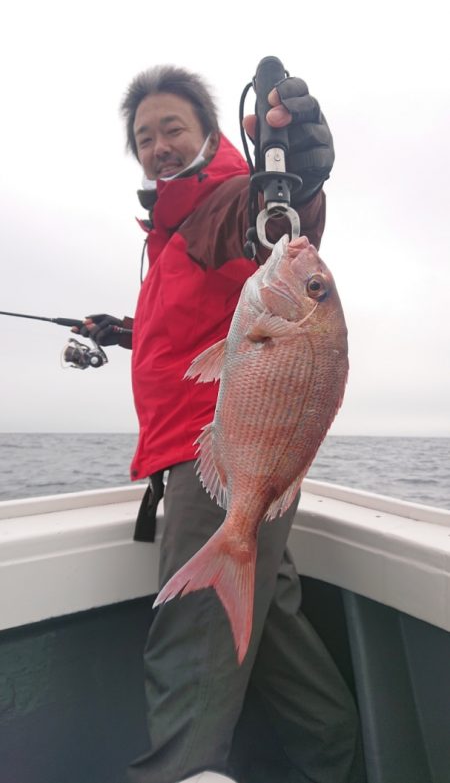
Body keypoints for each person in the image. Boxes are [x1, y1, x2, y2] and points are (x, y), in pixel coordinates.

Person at [77, 65, 366, 783]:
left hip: (216, 467)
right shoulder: (170, 233)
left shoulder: (220, 201)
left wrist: (296, 178)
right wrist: (128, 329)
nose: (159, 145)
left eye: (173, 127)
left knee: (188, 665)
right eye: (145, 137)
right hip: (237, 474)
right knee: (273, 640)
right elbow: (193, 328)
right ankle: (337, 762)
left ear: (208, 132)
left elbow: (262, 221)